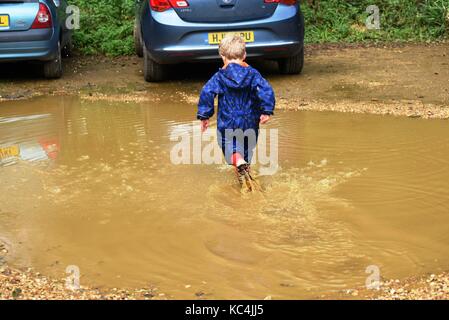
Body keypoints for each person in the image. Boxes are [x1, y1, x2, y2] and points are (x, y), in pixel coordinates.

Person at [197, 33, 275, 187]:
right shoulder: (253, 74)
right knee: (246, 148)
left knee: (229, 147)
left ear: (222, 56)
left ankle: (239, 163)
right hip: (250, 121)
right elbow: (266, 90)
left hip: (228, 121)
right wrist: (266, 111)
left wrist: (204, 116)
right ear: (244, 55)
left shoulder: (220, 76)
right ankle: (245, 175)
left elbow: (207, 92)